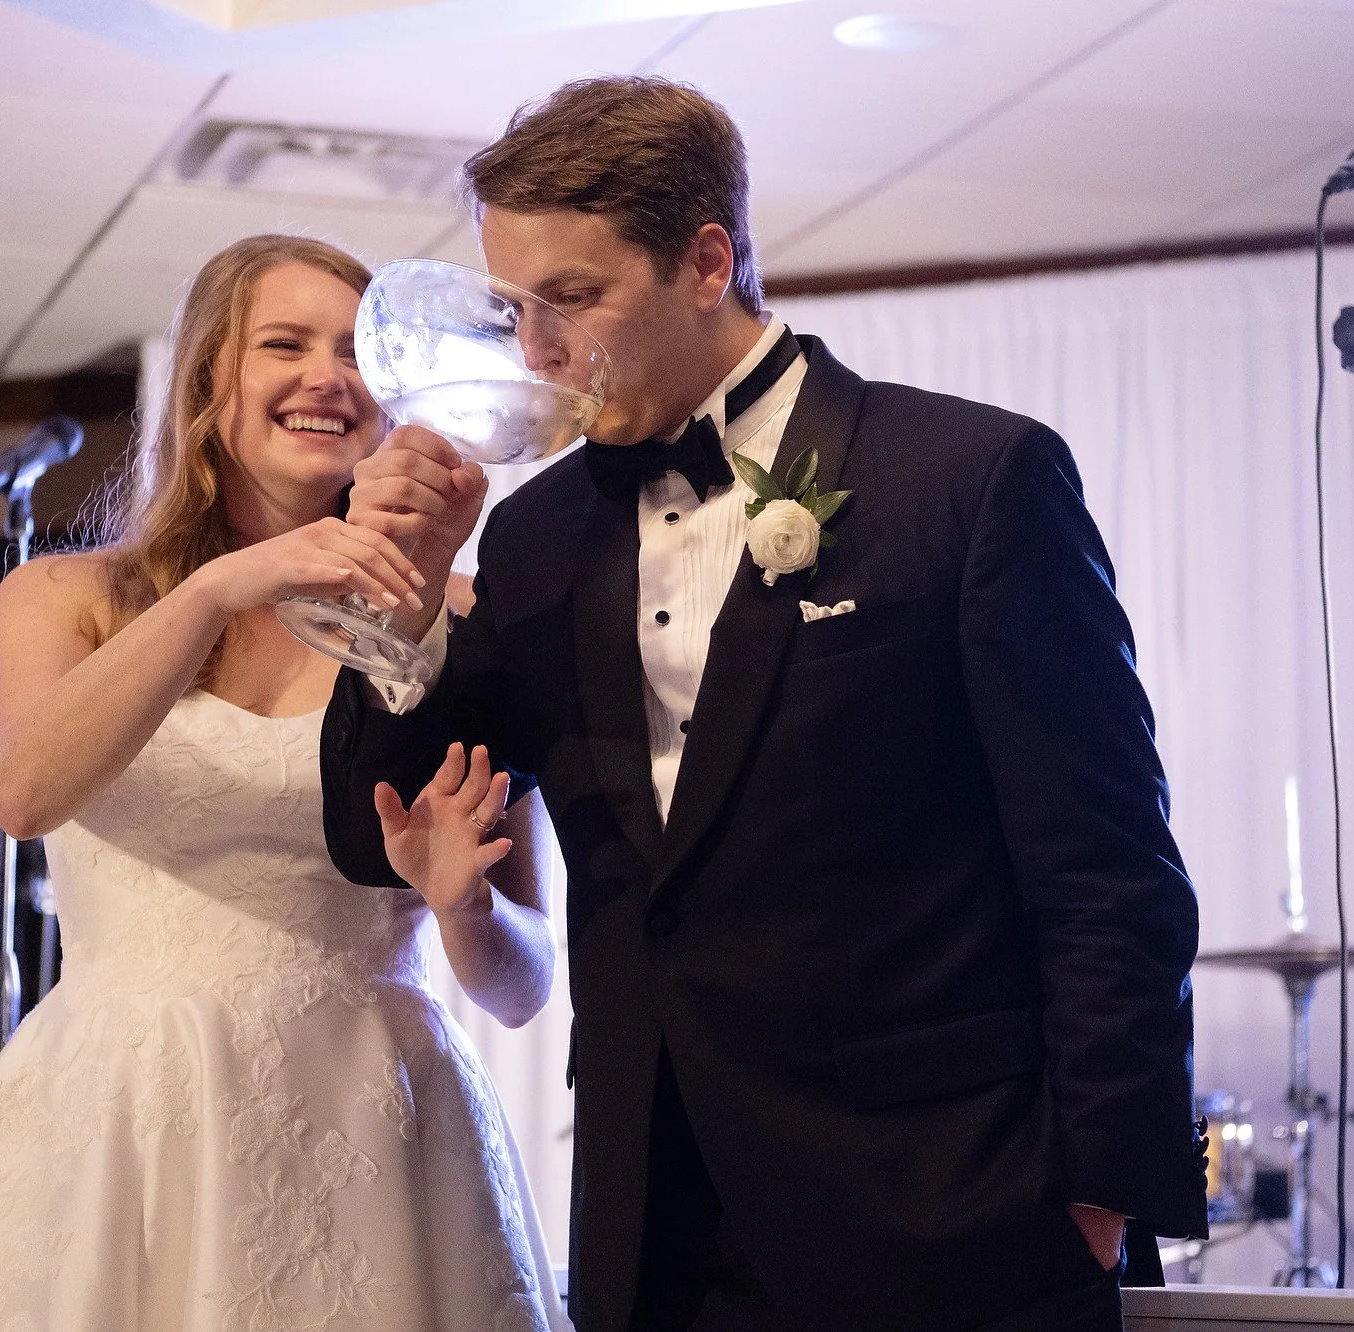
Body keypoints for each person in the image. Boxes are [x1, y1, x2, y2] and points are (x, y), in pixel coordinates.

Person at [323, 78, 1207, 1331]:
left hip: (945, 1214)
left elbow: (1105, 871)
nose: (537, 351)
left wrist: (1094, 1201)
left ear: (705, 262)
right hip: (658, 1229)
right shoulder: (532, 537)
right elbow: (377, 834)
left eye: (573, 297)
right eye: (516, 309)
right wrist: (403, 599)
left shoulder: (966, 479)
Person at [0, 234, 570, 1331]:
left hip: (375, 1120)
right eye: (284, 344)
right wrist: (217, 590)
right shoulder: (66, 599)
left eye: (355, 351)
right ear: (208, 382)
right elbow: (23, 794)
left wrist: (463, 906)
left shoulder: (463, 616)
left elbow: (521, 986)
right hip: (126, 1111)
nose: (326, 376)